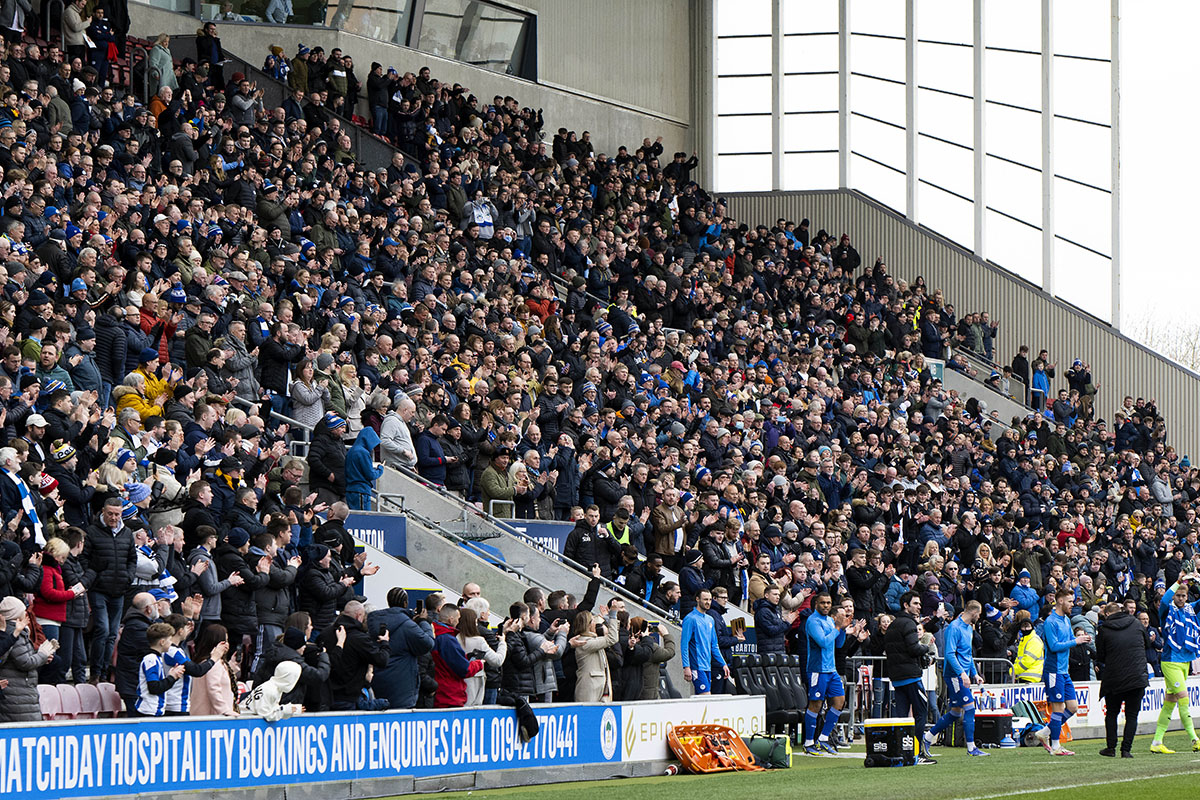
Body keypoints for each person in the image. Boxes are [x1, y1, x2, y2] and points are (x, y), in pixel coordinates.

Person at [925, 601, 989, 757]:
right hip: (954, 674)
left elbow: (967, 655)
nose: (979, 617)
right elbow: (949, 654)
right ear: (973, 612)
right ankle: (971, 748)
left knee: (955, 713)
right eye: (979, 614)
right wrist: (962, 673)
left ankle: (926, 737)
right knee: (969, 708)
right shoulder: (954, 627)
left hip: (962, 674)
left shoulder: (968, 628)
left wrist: (975, 673)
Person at [1034, 588, 1092, 756]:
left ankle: (1045, 732)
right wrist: (1076, 641)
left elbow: (1066, 642)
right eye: (1070, 601)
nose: (1072, 605)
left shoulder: (1066, 620)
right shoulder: (1051, 621)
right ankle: (1055, 746)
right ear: (1060, 601)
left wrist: (1079, 640)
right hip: (1053, 671)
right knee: (1058, 709)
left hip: (1063, 671)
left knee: (1073, 707)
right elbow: (1053, 646)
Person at [1150, 572, 1200, 754]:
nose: (1180, 598)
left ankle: (1156, 742)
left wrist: (1198, 582)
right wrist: (1178, 581)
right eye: (1178, 595)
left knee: (1169, 703)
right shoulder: (1167, 610)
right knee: (1184, 699)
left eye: (1183, 595)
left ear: (1187, 597)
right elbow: (1164, 601)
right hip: (1170, 661)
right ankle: (1195, 739)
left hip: (1185, 661)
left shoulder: (1190, 610)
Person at [884, 590, 934, 764]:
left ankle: (900, 752)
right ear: (906, 605)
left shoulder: (893, 624)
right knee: (920, 713)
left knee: (902, 717)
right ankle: (916, 753)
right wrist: (926, 647)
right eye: (915, 604)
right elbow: (914, 648)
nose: (919, 607)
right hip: (910, 676)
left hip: (897, 677)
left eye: (920, 604)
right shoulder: (909, 624)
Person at [1096, 602, 1151, 758]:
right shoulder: (1136, 623)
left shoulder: (1104, 629)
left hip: (1115, 677)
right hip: (1137, 676)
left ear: (1107, 614)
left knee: (1112, 713)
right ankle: (1126, 750)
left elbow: (1100, 655)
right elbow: (1147, 643)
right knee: (1132, 715)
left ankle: (1111, 748)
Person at [369, 587, 435, 709]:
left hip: (377, 680)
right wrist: (423, 621)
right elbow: (428, 644)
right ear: (406, 603)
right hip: (401, 687)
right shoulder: (407, 625)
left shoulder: (372, 621)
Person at [319, 600, 389, 710]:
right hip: (348, 696)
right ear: (358, 616)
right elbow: (382, 660)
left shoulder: (325, 634)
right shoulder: (360, 638)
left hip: (325, 695)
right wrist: (385, 643)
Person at [804, 592, 850, 756]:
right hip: (818, 669)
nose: (826, 606)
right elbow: (823, 642)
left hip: (831, 669)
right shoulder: (813, 621)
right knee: (815, 704)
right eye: (823, 603)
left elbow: (838, 644)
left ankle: (823, 739)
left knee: (839, 701)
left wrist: (842, 630)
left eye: (828, 603)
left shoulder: (830, 620)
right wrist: (837, 627)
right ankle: (809, 742)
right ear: (816, 604)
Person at [431, 604, 484, 708]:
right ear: (451, 620)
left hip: (439, 692)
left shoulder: (434, 634)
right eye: (458, 618)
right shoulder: (447, 639)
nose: (459, 622)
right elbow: (464, 669)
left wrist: (466, 657)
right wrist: (479, 664)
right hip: (449, 695)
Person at [680, 589, 728, 696]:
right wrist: (686, 667)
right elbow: (684, 645)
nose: (708, 602)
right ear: (697, 599)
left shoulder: (710, 619)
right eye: (705, 599)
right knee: (706, 697)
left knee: (702, 701)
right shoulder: (690, 619)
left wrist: (723, 664)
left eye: (710, 599)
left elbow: (714, 645)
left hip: (707, 666)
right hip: (696, 666)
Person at [568, 604, 619, 702]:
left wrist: (607, 620)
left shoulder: (591, 640)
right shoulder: (584, 642)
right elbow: (612, 638)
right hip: (589, 687)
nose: (595, 623)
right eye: (593, 620)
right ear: (588, 624)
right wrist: (613, 615)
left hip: (598, 686)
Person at [132, 622, 184, 717]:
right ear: (162, 642)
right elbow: (154, 687)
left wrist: (172, 676)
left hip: (154, 711)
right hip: (148, 712)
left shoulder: (157, 658)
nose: (171, 643)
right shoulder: (151, 659)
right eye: (169, 640)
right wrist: (172, 677)